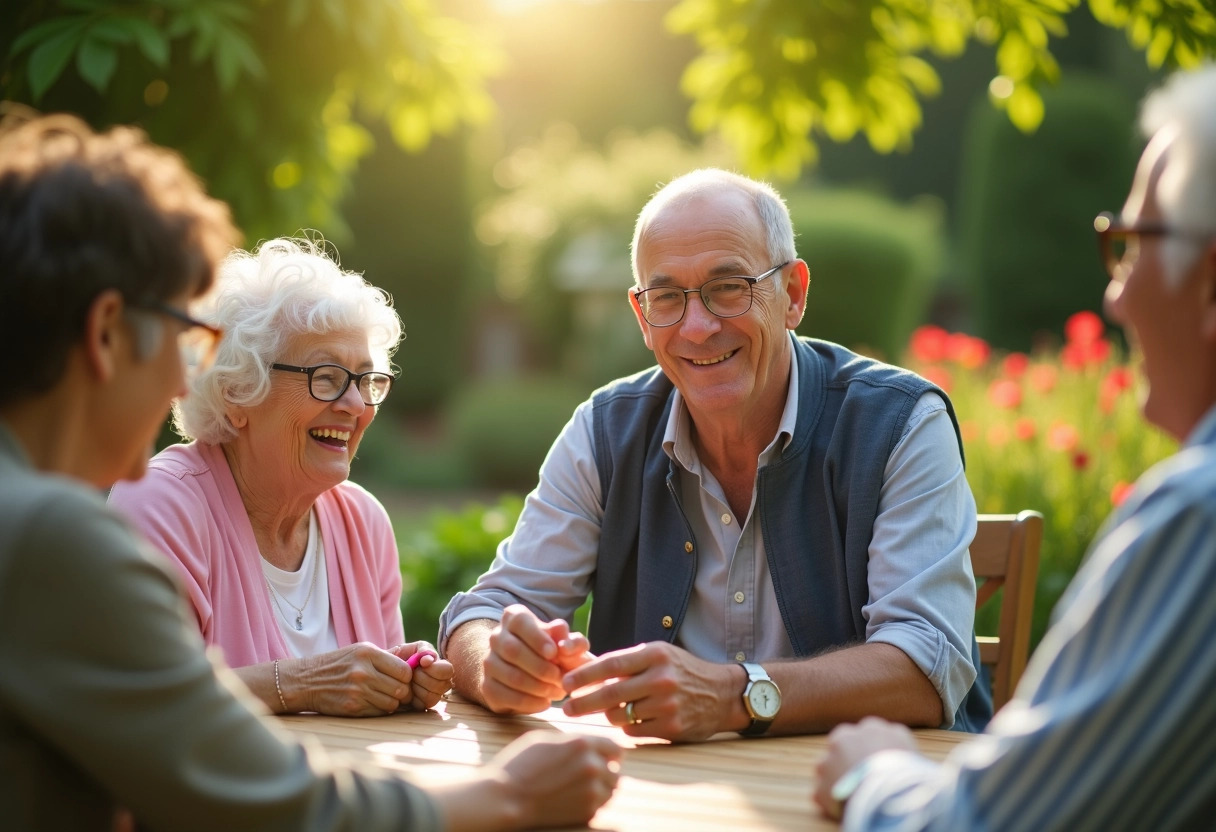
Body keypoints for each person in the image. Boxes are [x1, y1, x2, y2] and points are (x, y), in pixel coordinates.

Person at [0, 110, 620, 831]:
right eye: (181, 339)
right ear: (107, 332)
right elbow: (258, 801)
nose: (183, 379)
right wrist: (512, 795)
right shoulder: (48, 535)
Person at [440, 167, 991, 742]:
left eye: (728, 287)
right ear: (642, 316)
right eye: (667, 297)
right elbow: (483, 612)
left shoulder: (901, 421)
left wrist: (731, 696)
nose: (697, 327)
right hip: (659, 801)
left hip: (872, 793)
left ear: (793, 295)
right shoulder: (603, 430)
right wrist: (494, 661)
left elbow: (926, 667)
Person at [814, 64, 1216, 831]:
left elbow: (989, 824)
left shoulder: (1200, 515)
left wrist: (871, 777)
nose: (1116, 295)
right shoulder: (614, 421)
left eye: (1129, 247)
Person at [109, 237, 448, 717]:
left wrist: (401, 680)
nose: (355, 406)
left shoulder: (363, 523)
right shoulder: (163, 503)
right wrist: (301, 683)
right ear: (237, 393)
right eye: (327, 376)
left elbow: (367, 703)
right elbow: (137, 697)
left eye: (365, 380)